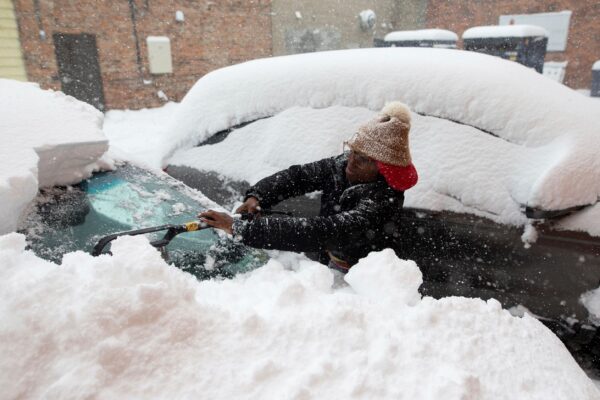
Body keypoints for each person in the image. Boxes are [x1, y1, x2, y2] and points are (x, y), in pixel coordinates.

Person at [199, 101, 418, 272]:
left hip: (368, 279)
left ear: (382, 168)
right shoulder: (342, 165)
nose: (350, 160)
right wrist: (257, 196)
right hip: (331, 265)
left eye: (361, 158)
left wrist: (241, 229)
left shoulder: (381, 201)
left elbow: (321, 231)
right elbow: (299, 176)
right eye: (352, 151)